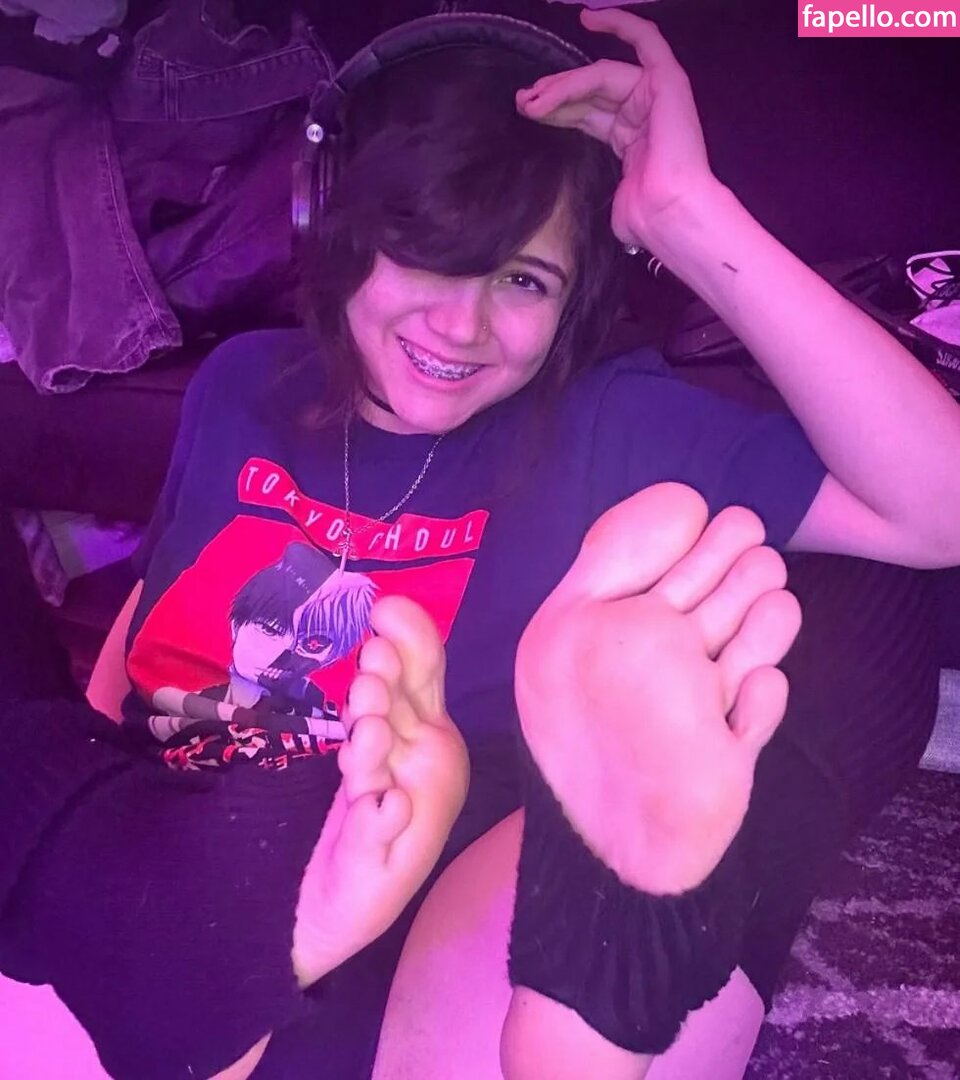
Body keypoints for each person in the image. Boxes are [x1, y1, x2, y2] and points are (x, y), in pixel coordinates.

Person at [1, 6, 957, 1079]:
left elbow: (940, 508)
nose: (461, 327)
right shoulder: (242, 386)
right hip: (197, 866)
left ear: (577, 300)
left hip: (453, 914)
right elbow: (155, 609)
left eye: (522, 280)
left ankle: (595, 977)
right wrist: (92, 788)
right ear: (336, 226)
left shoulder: (611, 424)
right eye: (429, 252)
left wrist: (688, 213)